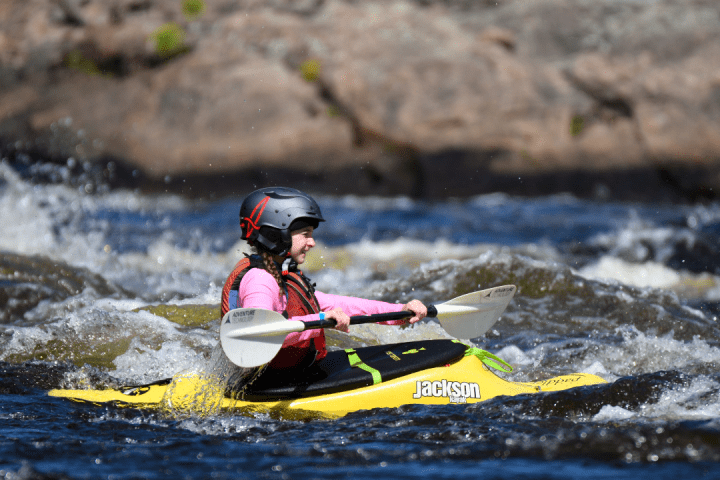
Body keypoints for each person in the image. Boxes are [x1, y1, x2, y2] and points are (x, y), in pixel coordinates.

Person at [221, 186, 427, 375]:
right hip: (267, 383)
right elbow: (261, 335)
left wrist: (399, 312)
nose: (312, 242)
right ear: (276, 235)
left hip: (293, 373)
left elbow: (342, 305)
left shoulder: (282, 274)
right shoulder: (260, 280)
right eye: (305, 234)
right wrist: (320, 320)